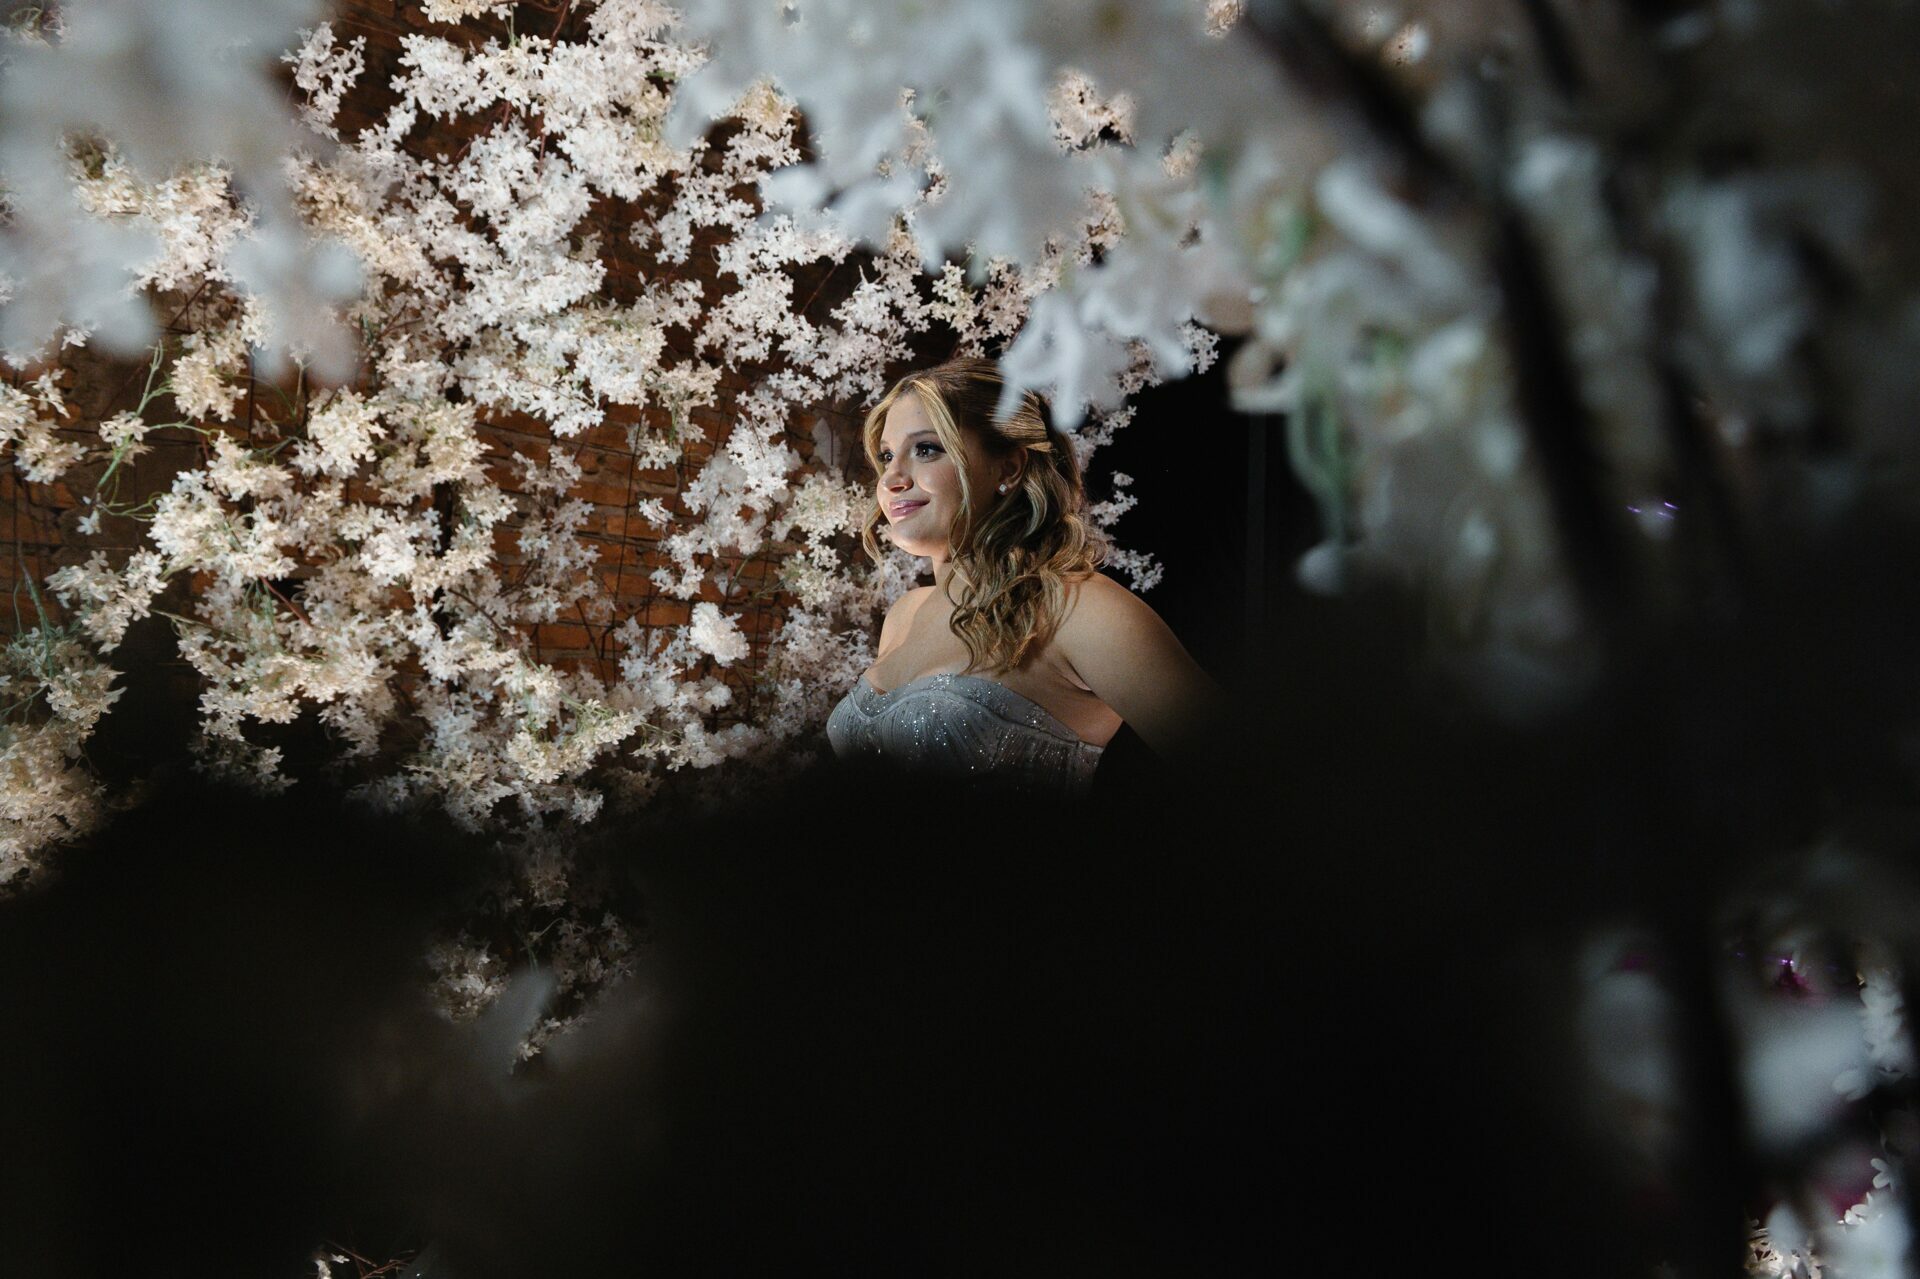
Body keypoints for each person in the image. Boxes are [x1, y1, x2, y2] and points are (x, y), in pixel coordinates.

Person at [826, 357, 1219, 791]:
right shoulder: (904, 615)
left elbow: (1249, 777)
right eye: (886, 456)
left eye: (926, 449)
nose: (892, 478)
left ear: (1009, 468)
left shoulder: (1074, 607)